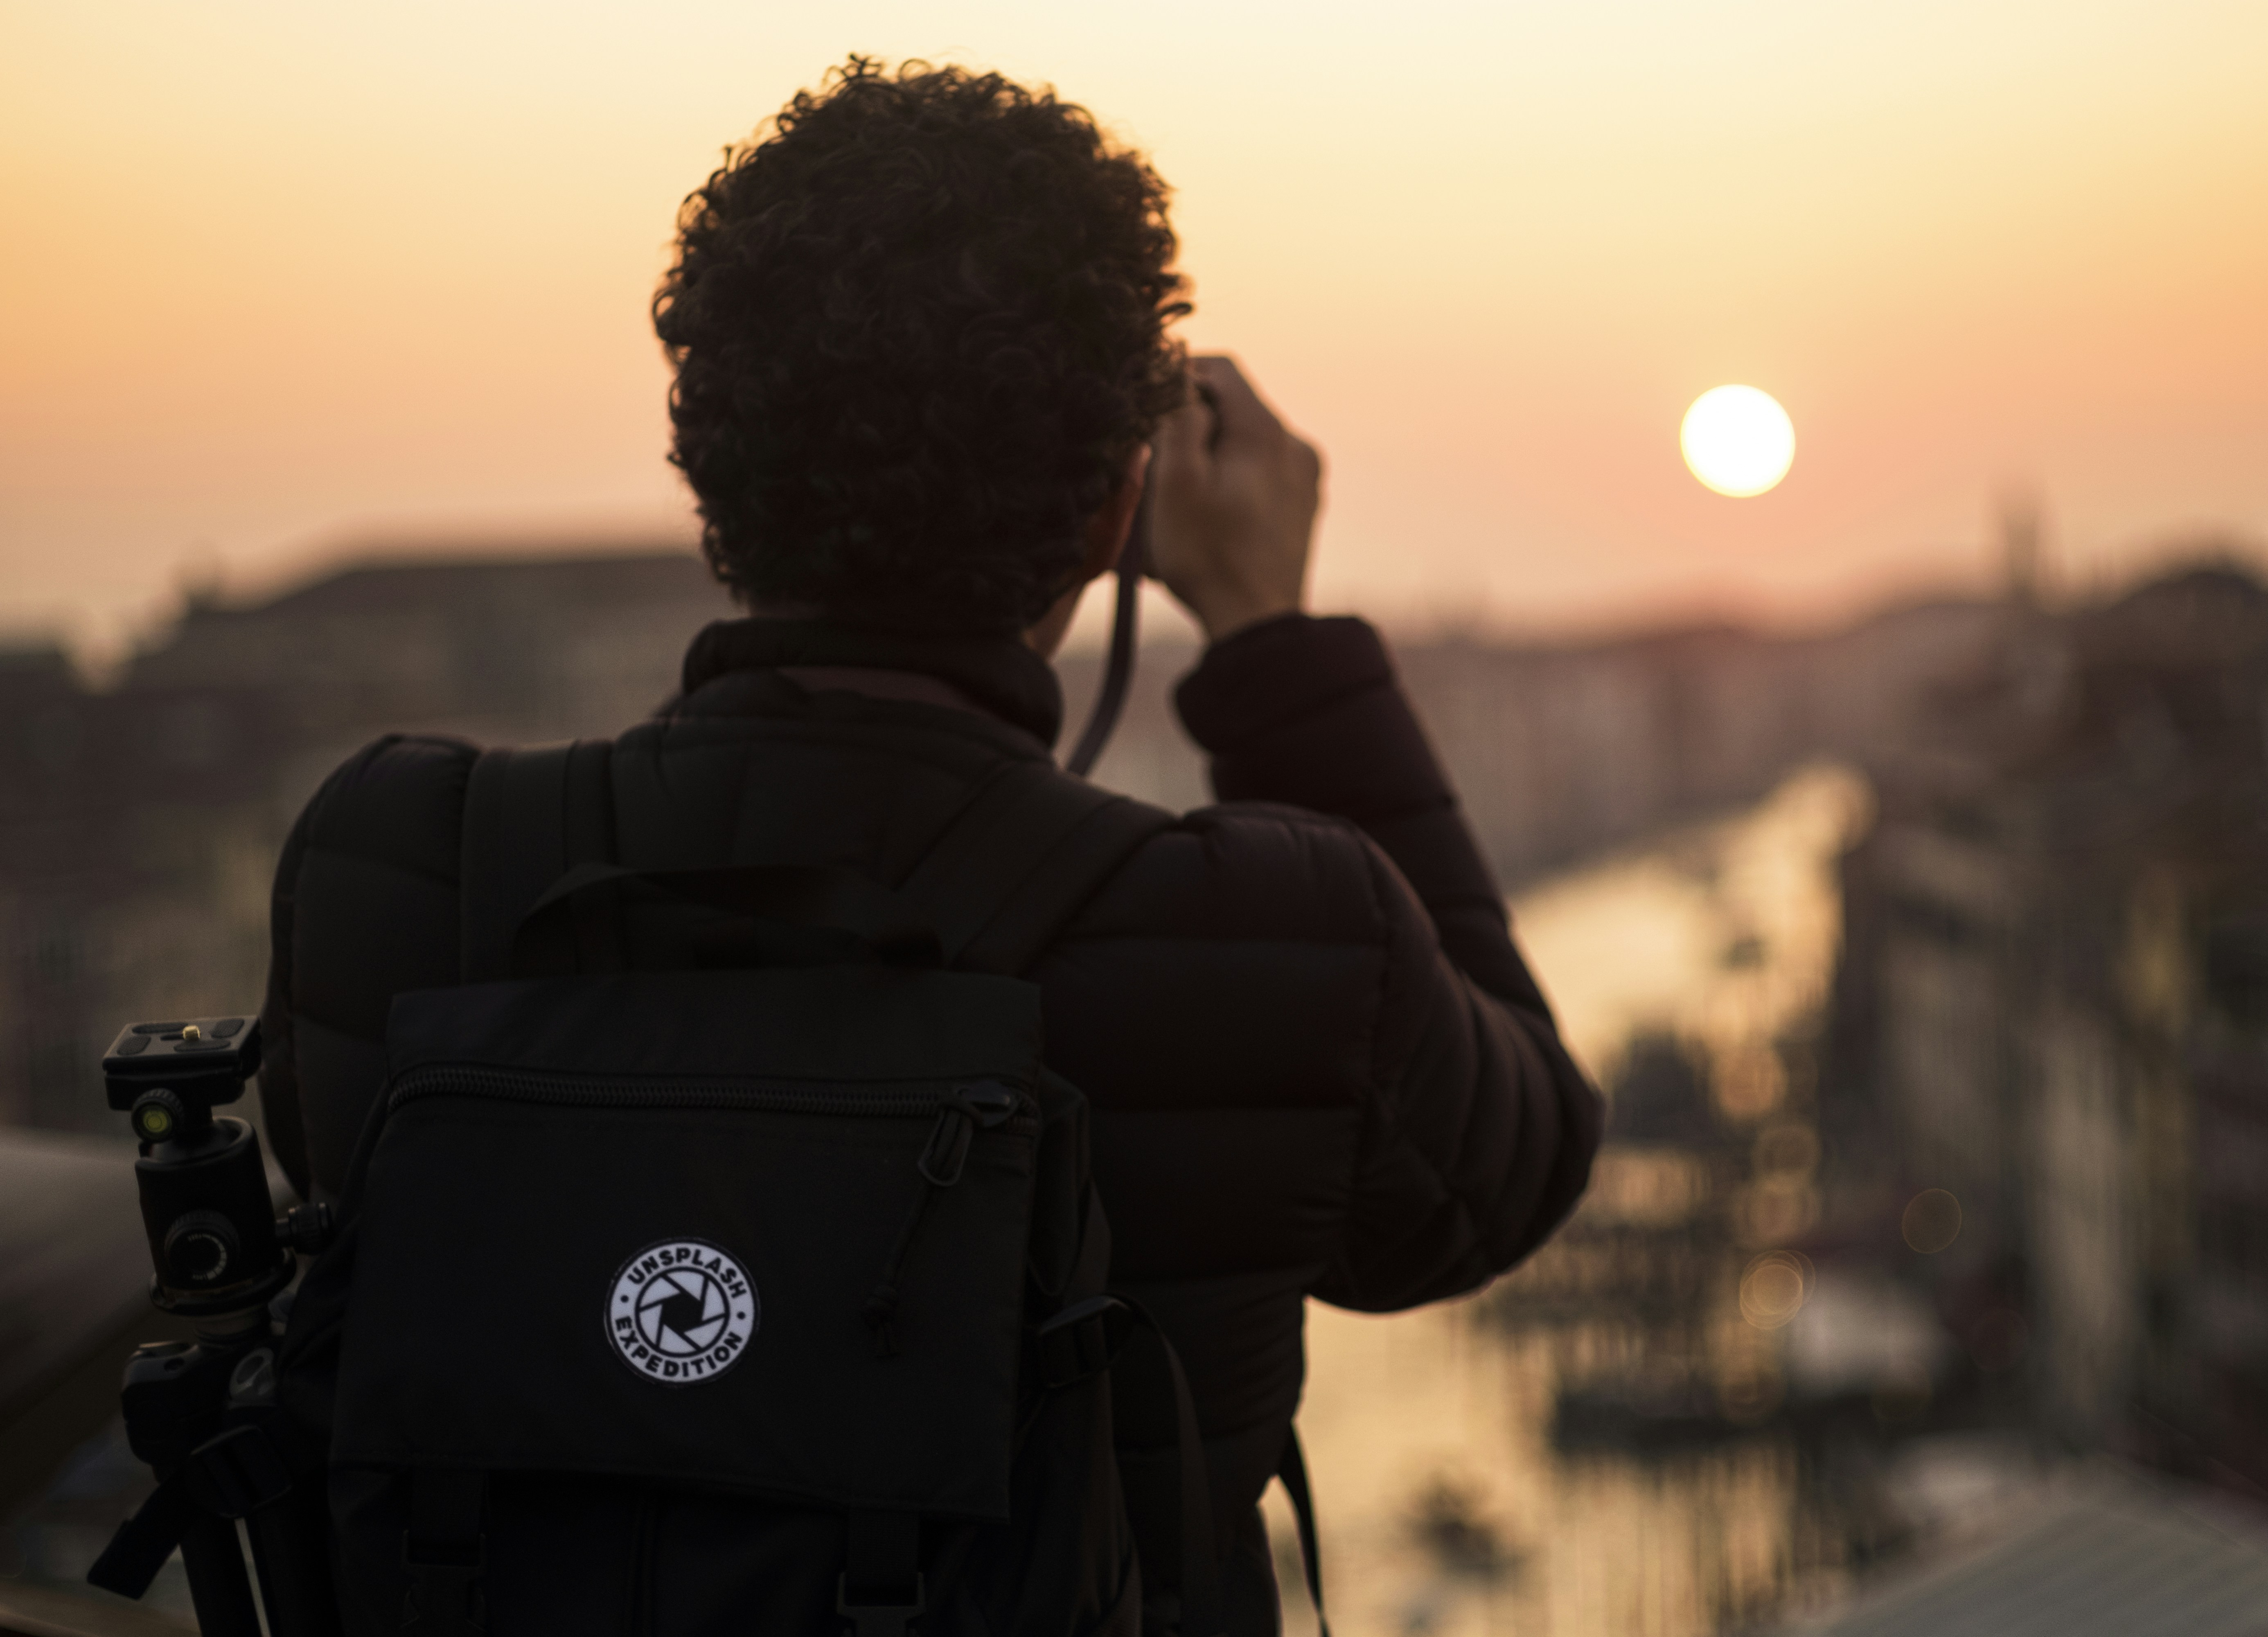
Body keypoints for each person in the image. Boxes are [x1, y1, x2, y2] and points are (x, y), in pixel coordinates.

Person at [259, 56, 1601, 1634]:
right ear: (1114, 512)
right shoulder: (1277, 946)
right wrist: (1270, 635)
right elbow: (1513, 1171)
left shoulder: (402, 869)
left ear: (709, 467)